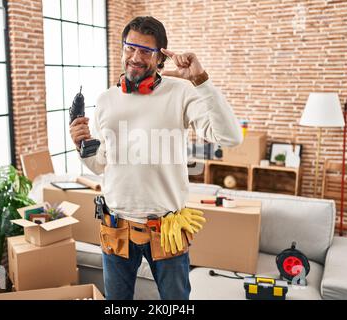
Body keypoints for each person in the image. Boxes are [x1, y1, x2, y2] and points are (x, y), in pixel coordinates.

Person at [70, 16, 243, 300]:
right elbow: (101, 164)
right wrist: (82, 146)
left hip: (167, 230)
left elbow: (230, 138)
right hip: (115, 229)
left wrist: (201, 81)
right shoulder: (105, 100)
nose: (135, 57)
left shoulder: (182, 92)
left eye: (146, 51)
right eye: (130, 48)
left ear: (161, 57)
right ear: (123, 47)